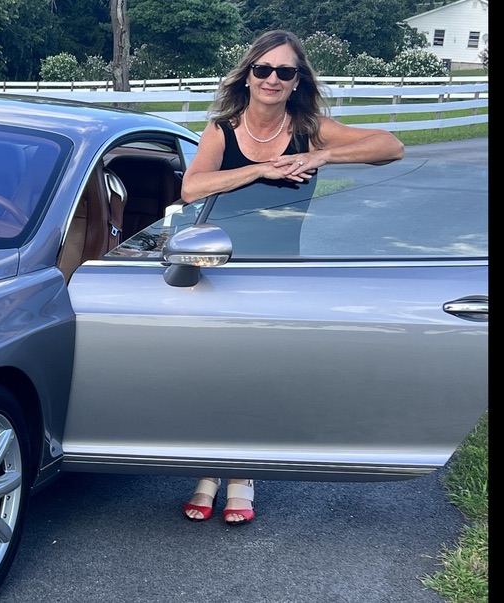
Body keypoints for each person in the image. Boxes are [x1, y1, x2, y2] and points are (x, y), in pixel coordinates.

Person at [177, 30, 405, 526]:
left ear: (297, 80)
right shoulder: (222, 130)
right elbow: (193, 188)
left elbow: (392, 146)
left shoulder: (309, 129)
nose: (272, 79)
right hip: (219, 268)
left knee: (256, 377)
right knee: (218, 377)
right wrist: (259, 170)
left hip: (278, 272)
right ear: (248, 75)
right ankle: (210, 470)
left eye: (285, 71)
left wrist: (322, 155)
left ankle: (241, 476)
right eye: (263, 69)